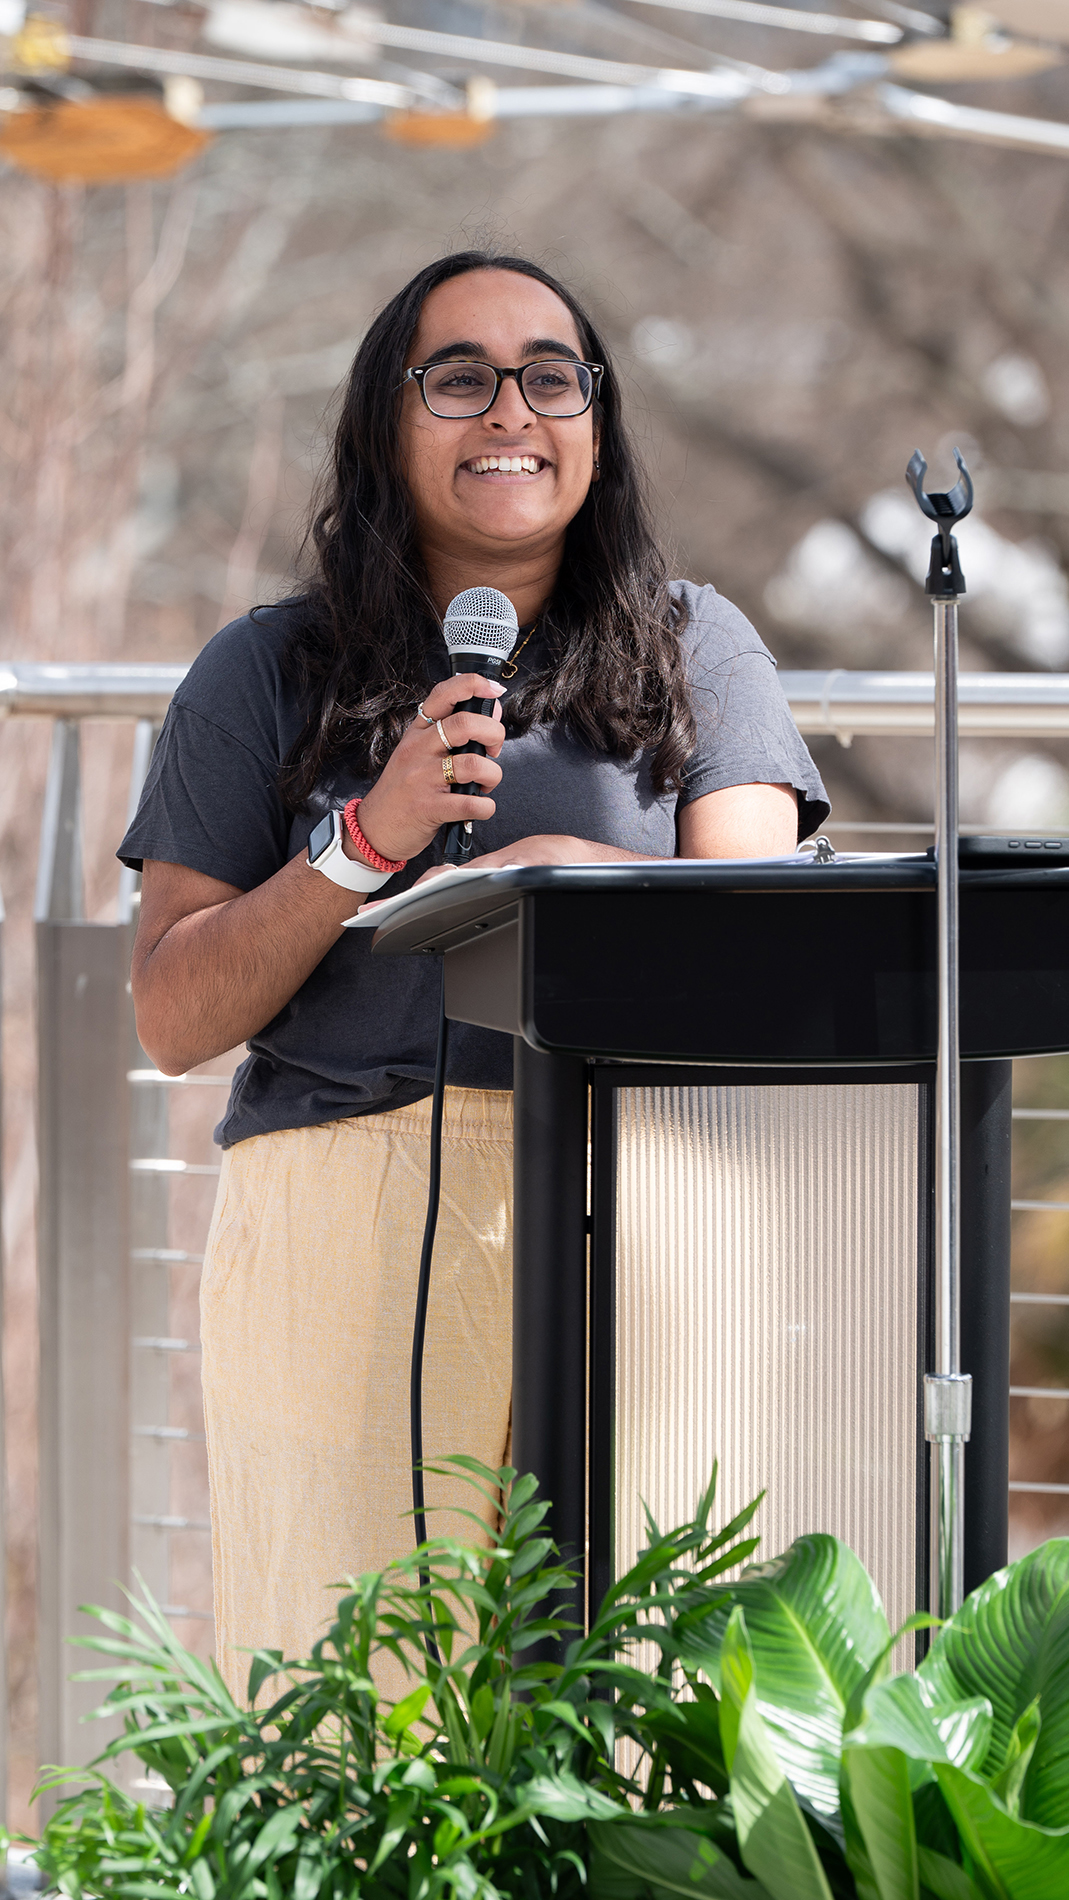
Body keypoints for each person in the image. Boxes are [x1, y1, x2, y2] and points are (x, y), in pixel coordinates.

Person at [119, 250, 829, 1696]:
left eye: (548, 375)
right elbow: (173, 1012)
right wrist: (362, 844)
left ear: (596, 418)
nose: (509, 409)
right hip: (351, 1211)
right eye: (459, 377)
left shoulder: (700, 647)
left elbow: (760, 935)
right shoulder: (263, 670)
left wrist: (561, 878)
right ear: (388, 422)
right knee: (366, 1712)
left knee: (653, 1703)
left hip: (654, 1195)